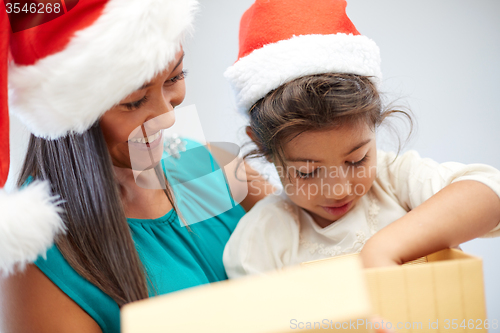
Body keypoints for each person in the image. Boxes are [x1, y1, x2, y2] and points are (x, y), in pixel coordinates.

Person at [0, 1, 272, 332]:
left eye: (175, 77)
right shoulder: (39, 258)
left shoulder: (197, 164)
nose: (168, 116)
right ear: (72, 114)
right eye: (133, 101)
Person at [222, 0, 500, 278]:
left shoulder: (393, 180)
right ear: (263, 146)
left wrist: (385, 247)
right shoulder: (260, 240)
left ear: (374, 125)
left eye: (356, 160)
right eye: (308, 172)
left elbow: (491, 192)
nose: (339, 190)